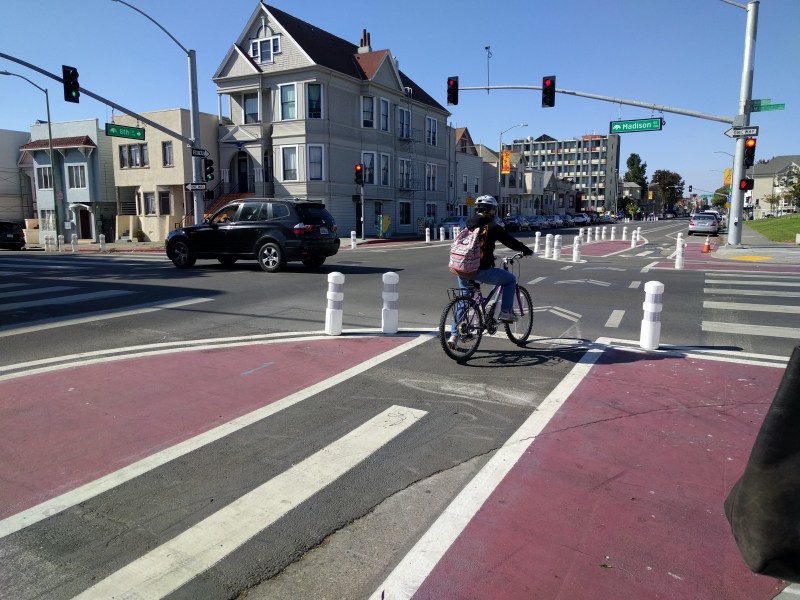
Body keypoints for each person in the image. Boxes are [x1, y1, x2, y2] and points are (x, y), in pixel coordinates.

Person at [449, 195, 533, 348]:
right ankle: (506, 312)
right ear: (491, 211)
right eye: (494, 209)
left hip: (461, 268)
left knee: (464, 300)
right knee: (510, 280)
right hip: (480, 271)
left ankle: (453, 335)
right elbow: (511, 242)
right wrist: (527, 251)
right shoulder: (493, 227)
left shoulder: (469, 224)